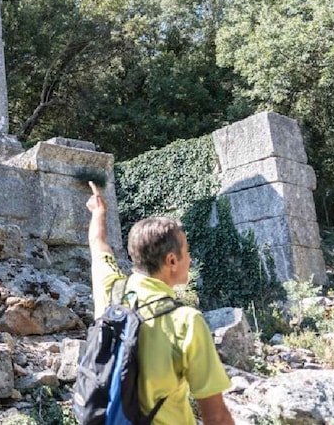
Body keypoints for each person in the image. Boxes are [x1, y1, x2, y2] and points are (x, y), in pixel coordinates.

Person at [86, 181, 234, 425]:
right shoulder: (186, 321)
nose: (191, 258)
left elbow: (98, 245)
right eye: (187, 252)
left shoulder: (111, 291)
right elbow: (216, 416)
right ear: (172, 260)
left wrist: (98, 213)